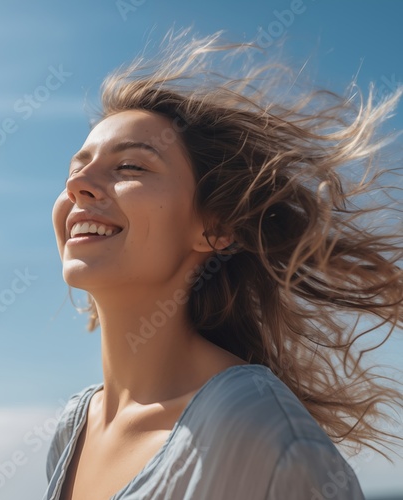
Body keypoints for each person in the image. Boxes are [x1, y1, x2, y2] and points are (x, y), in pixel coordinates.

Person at [44, 30, 403, 500]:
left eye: (131, 167)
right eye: (75, 169)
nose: (79, 186)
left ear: (215, 229)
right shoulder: (71, 431)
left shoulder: (259, 431)